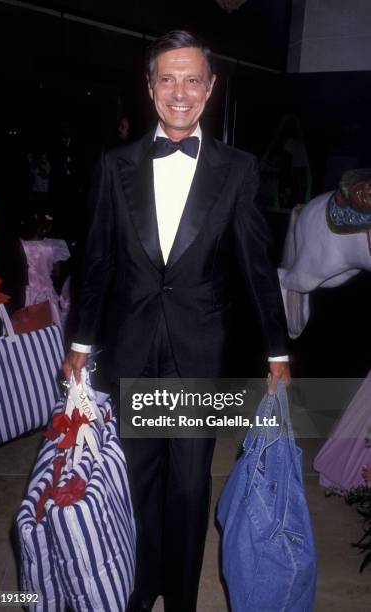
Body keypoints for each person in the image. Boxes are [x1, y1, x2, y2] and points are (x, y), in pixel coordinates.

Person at [63, 30, 290, 612]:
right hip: (130, 344)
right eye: (168, 78)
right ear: (149, 87)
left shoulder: (237, 171)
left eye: (193, 79)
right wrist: (81, 345)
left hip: (200, 350)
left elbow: (258, 268)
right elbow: (98, 263)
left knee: (189, 486)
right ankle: (137, 589)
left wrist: (277, 354)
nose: (180, 91)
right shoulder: (114, 166)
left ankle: (182, 597)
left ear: (210, 89)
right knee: (134, 480)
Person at [19, 211, 70, 329]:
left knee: (26, 328)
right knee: (50, 326)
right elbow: (58, 272)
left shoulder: (21, 245)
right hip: (46, 292)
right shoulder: (51, 245)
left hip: (27, 292)